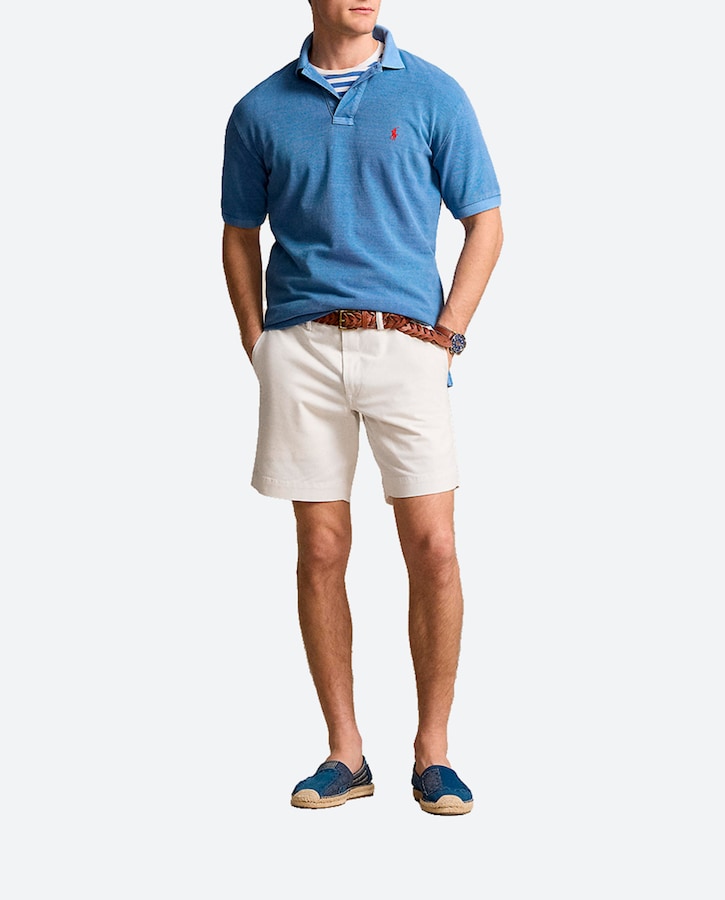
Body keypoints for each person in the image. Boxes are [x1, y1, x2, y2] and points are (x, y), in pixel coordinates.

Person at [221, 0, 502, 815]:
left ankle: (432, 753)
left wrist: (446, 335)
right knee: (320, 550)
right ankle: (345, 754)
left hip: (406, 341)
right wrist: (258, 342)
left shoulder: (433, 92)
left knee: (434, 548)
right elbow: (238, 232)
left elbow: (485, 222)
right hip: (300, 349)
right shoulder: (259, 109)